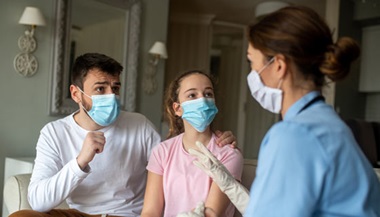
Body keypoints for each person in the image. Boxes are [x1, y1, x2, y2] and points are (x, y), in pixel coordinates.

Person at [188, 6, 380, 217]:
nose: (252, 74)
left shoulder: (293, 135)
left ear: (279, 66)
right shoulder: (331, 124)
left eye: (252, 62)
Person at [9, 53, 237, 217]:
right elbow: (38, 202)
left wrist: (215, 140)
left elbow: (174, 162)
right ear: (75, 94)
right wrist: (80, 162)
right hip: (81, 214)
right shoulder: (54, 132)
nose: (111, 96)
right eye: (100, 89)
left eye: (115, 88)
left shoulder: (139, 125)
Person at [140, 70, 244, 217]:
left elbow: (211, 213)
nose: (202, 100)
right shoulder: (162, 152)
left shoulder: (229, 154)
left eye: (208, 94)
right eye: (192, 95)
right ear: (177, 108)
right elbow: (150, 212)